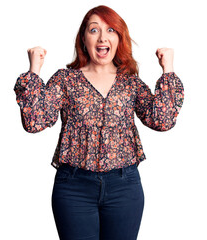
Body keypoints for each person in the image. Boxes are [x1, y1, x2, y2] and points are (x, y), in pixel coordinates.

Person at [13, 5, 184, 240]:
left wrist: (168, 69)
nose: (103, 37)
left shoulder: (130, 83)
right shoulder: (65, 80)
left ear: (119, 38)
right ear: (83, 38)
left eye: (111, 30)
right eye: (94, 30)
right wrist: (34, 70)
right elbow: (35, 122)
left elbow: (162, 120)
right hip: (73, 188)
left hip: (124, 187)